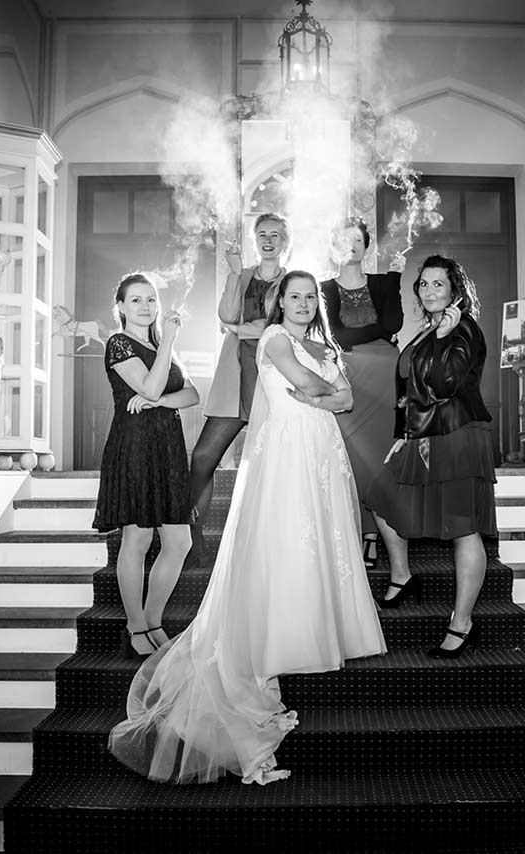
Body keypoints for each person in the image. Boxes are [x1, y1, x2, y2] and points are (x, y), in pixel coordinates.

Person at [108, 270, 387, 785]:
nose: (302, 303)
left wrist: (327, 393)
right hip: (285, 456)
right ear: (279, 301)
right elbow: (312, 385)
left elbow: (345, 399)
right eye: (293, 296)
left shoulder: (322, 342)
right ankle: (254, 636)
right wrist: (326, 390)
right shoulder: (277, 339)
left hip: (320, 453)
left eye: (309, 297)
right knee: (281, 542)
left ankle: (307, 623)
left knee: (316, 547)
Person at [365, 255, 497, 658]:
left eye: (438, 284)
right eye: (423, 284)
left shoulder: (464, 329)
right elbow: (408, 391)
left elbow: (446, 384)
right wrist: (399, 435)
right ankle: (402, 576)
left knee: (462, 528)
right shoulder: (425, 330)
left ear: (455, 290)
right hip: (421, 437)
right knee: (379, 497)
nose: (429, 291)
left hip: (457, 437)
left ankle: (462, 622)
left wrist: (445, 337)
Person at [92, 273, 199, 658]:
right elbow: (151, 386)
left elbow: (190, 395)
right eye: (136, 300)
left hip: (167, 448)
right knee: (137, 538)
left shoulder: (160, 346)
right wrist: (168, 345)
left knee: (179, 540)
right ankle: (136, 626)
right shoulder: (118, 344)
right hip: (134, 446)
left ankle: (154, 620)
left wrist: (158, 401)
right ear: (120, 306)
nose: (146, 306)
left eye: (151, 299)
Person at [186, 212, 289, 565]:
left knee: (277, 470)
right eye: (262, 233)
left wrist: (246, 329)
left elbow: (282, 328)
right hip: (236, 377)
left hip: (273, 381)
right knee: (201, 459)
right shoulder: (242, 276)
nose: (268, 239)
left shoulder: (293, 282)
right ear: (254, 239)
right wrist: (233, 273)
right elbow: (227, 317)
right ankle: (191, 538)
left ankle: (276, 547)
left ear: (285, 241)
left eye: (276, 234)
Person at [319, 218, 405, 566]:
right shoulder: (322, 288)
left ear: (366, 247)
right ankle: (355, 531)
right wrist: (375, 334)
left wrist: (396, 281)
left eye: (358, 239)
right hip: (348, 375)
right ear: (334, 247)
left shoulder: (385, 283)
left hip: (385, 373)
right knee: (351, 456)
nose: (351, 244)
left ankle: (373, 535)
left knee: (380, 455)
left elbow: (393, 325)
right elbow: (335, 335)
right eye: (344, 239)